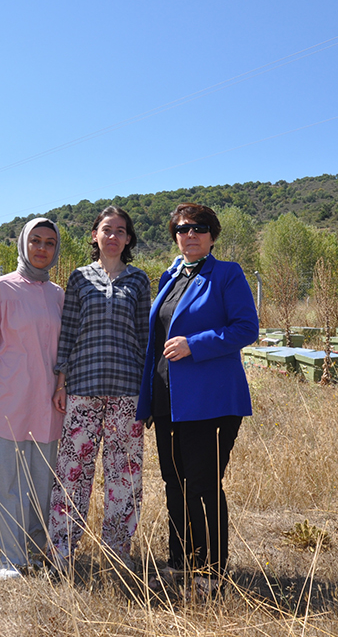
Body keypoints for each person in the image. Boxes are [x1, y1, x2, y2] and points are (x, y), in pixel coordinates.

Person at [136, 202, 258, 597]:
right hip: (168, 399)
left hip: (211, 401)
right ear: (175, 235)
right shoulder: (170, 277)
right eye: (183, 228)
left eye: (200, 228)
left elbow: (246, 328)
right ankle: (180, 562)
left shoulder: (226, 274)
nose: (191, 234)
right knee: (174, 482)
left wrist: (195, 344)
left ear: (212, 235)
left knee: (203, 485)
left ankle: (210, 573)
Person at [0, 217, 65, 581]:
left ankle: (35, 552)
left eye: (49, 242)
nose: (42, 248)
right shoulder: (1, 289)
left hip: (46, 407)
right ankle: (3, 558)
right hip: (4, 403)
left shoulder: (58, 295)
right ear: (22, 244)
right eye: (35, 240)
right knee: (0, 482)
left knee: (40, 486)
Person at [47, 206, 151, 571]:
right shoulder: (79, 278)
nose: (113, 236)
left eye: (121, 231)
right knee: (72, 473)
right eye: (107, 229)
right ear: (95, 235)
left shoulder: (138, 280)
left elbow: (145, 338)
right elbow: (68, 333)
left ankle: (117, 554)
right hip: (82, 389)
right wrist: (61, 382)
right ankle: (61, 552)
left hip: (127, 392)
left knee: (124, 475)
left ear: (128, 239)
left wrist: (148, 391)